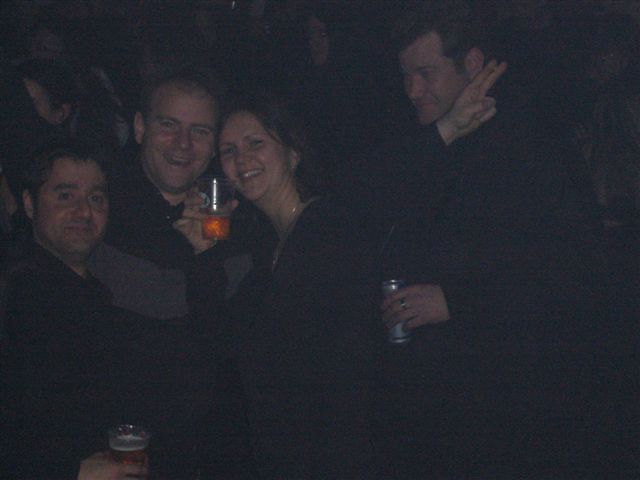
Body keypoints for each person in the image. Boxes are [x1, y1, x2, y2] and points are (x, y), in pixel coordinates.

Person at [371, 2, 610, 478]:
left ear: (473, 63)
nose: (412, 90)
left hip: (515, 414)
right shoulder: (429, 145)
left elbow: (576, 281)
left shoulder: (530, 149)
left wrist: (457, 302)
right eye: (405, 76)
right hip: (441, 405)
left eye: (426, 73)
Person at [190, 93, 376, 478]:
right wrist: (206, 254)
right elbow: (222, 339)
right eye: (229, 150)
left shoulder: (326, 231)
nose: (242, 159)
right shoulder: (270, 249)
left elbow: (341, 371)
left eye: (255, 143)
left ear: (292, 153)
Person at [88, 66, 228, 324]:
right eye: (168, 125)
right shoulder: (96, 209)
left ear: (214, 145)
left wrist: (207, 257)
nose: (183, 143)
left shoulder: (236, 223)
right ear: (140, 128)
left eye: (199, 131)